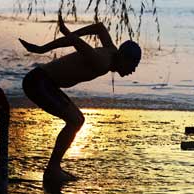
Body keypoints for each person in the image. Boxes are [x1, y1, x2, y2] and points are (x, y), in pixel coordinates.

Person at [20, 15, 142, 182]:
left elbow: (99, 27)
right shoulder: (102, 62)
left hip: (45, 83)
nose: (133, 71)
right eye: (133, 65)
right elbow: (75, 41)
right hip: (38, 83)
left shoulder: (111, 50)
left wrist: (68, 32)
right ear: (124, 59)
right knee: (76, 121)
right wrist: (42, 49)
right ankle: (52, 169)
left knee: (77, 120)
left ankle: (53, 168)